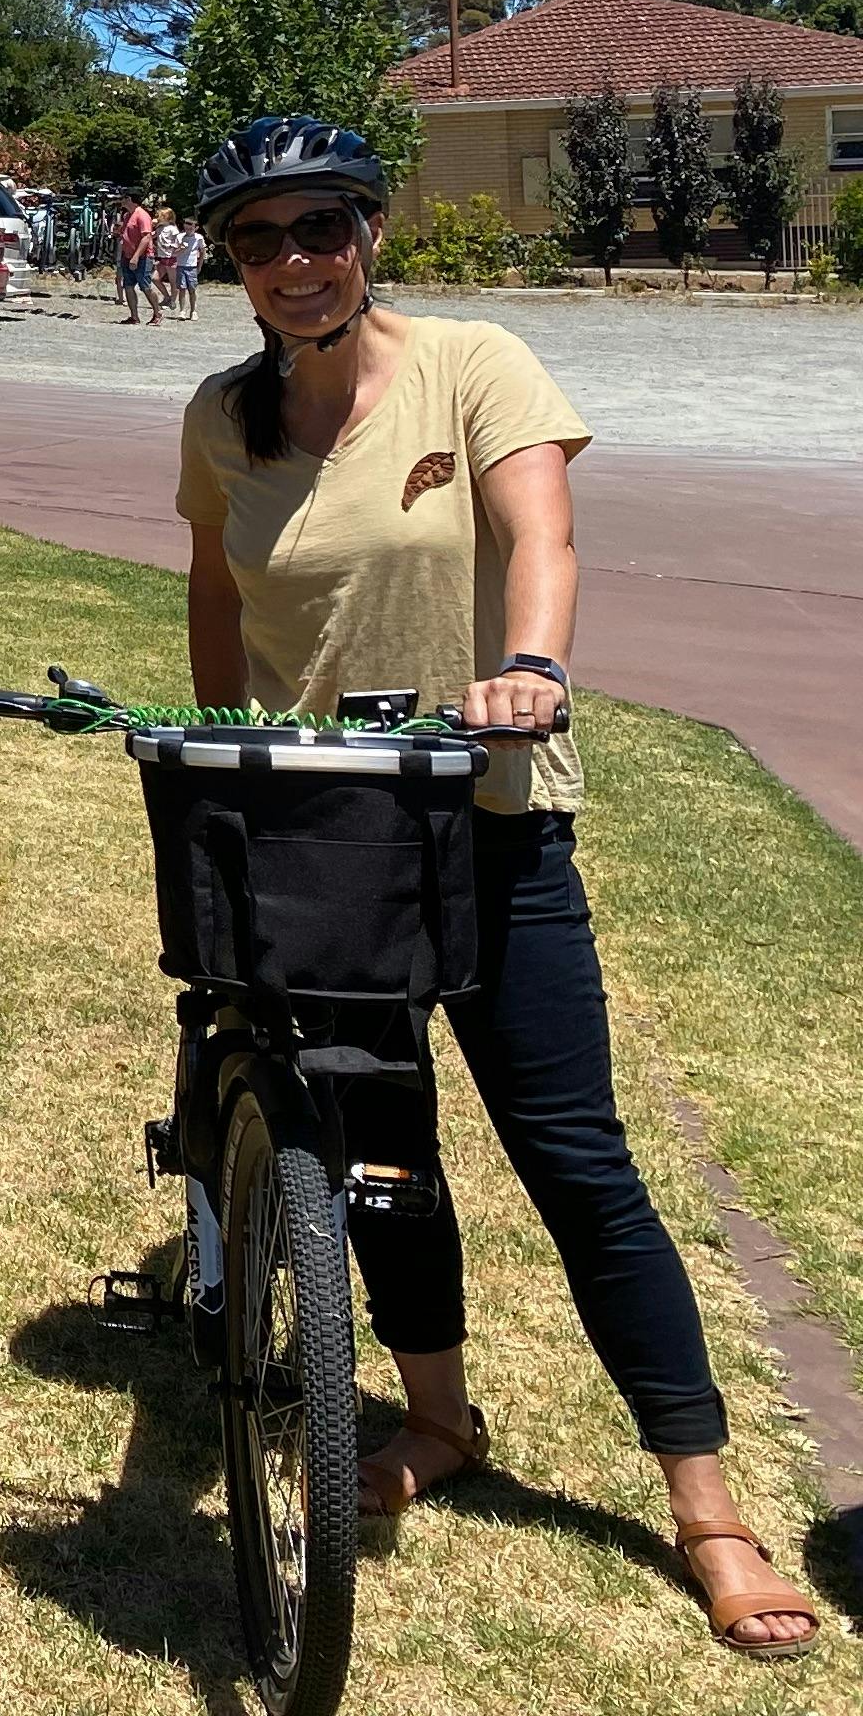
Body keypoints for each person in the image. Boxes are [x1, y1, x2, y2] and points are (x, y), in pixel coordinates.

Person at [177, 118, 819, 1662]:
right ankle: (437, 1417)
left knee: (580, 1163)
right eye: (258, 240)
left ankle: (710, 1511)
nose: (294, 262)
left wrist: (526, 668)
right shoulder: (223, 416)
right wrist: (224, 755)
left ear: (370, 228)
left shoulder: (476, 364)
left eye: (319, 226)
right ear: (235, 267)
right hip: (326, 838)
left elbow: (544, 532)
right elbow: (218, 602)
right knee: (376, 1155)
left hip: (490, 824)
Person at [117, 193, 160, 324]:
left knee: (145, 286)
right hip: (127, 256)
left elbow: (146, 238)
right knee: (128, 285)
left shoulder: (142, 215)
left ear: (129, 199)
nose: (121, 200)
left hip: (143, 257)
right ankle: (134, 316)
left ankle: (157, 313)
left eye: (123, 198)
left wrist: (135, 257)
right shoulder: (127, 216)